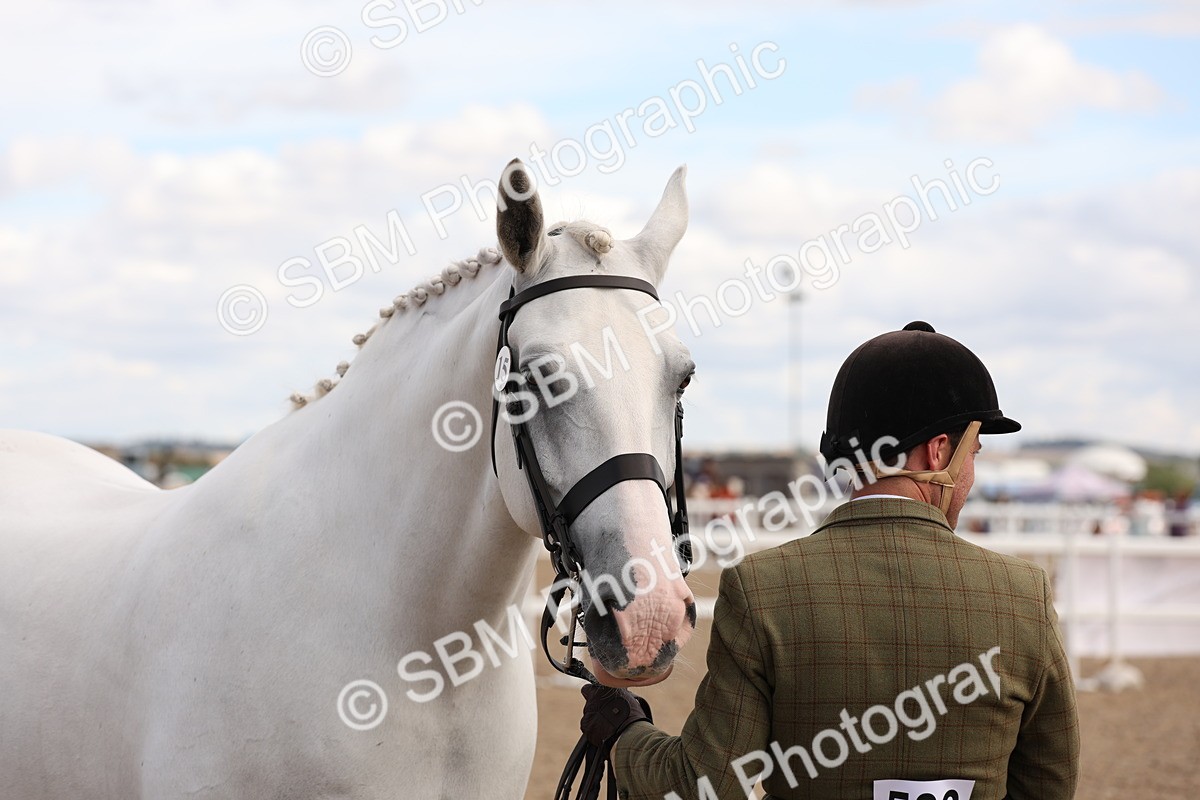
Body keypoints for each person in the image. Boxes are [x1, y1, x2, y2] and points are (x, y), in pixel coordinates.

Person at [580, 321, 1080, 800]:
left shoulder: (762, 588)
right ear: (938, 452)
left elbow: (704, 786)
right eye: (975, 454)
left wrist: (623, 729)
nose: (971, 475)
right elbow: (1048, 784)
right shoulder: (1022, 594)